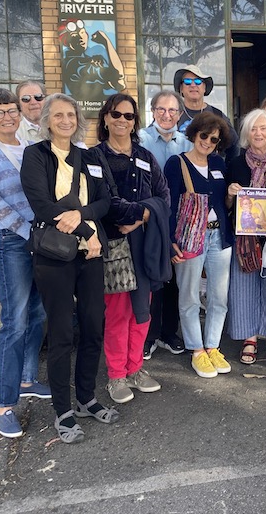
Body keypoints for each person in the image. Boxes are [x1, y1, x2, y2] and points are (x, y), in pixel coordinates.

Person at [20, 93, 115, 444]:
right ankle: (63, 409)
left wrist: (83, 218)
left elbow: (105, 201)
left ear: (78, 119)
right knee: (61, 335)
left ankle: (87, 397)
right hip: (55, 258)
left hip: (89, 256)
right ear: (46, 120)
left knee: (93, 328)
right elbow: (42, 206)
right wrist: (87, 232)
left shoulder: (89, 156)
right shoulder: (35, 155)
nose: (65, 120)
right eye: (57, 115)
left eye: (70, 114)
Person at [0, 89, 50, 439]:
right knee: (14, 321)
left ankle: (28, 378)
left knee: (38, 313)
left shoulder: (29, 148)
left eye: (12, 111)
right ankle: (4, 405)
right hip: (11, 241)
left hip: (39, 240)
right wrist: (28, 232)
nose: (8, 117)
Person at [92, 94, 168, 404]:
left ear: (135, 121)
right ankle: (116, 375)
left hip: (143, 243)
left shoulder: (146, 157)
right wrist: (141, 213)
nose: (123, 120)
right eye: (116, 114)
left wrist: (141, 218)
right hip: (114, 246)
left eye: (128, 116)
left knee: (142, 310)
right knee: (118, 312)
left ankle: (136, 368)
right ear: (106, 118)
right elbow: (107, 203)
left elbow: (164, 197)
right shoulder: (94, 158)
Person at [164, 112, 234, 379]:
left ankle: (213, 346)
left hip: (220, 237)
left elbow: (224, 205)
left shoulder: (219, 163)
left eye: (214, 138)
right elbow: (169, 205)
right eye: (203, 135)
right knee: (190, 296)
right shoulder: (176, 163)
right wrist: (171, 241)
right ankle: (196, 349)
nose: (207, 141)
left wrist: (229, 196)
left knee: (219, 297)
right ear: (194, 135)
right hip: (190, 238)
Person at [226, 109, 266, 366]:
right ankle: (249, 337)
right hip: (244, 238)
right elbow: (227, 206)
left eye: (263, 128)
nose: (258, 133)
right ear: (246, 134)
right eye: (253, 129)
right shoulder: (235, 164)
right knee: (243, 288)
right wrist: (231, 194)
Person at [138, 90, 191, 359]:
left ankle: (170, 332)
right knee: (151, 279)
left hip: (180, 221)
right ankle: (149, 335)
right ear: (153, 111)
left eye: (172, 111)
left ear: (180, 114)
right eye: (161, 110)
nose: (167, 115)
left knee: (173, 280)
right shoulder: (141, 140)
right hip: (149, 218)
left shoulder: (188, 143)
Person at [174, 65, 239, 162]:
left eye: (198, 81)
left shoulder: (217, 115)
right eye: (187, 81)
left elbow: (234, 145)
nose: (193, 85)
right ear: (181, 89)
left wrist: (228, 169)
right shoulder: (171, 114)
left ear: (204, 88)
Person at [58, 19, 125, 104]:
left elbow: (116, 84)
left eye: (82, 33)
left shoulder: (89, 59)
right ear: (66, 41)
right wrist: (106, 41)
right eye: (74, 35)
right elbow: (117, 76)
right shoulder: (73, 64)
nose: (81, 38)